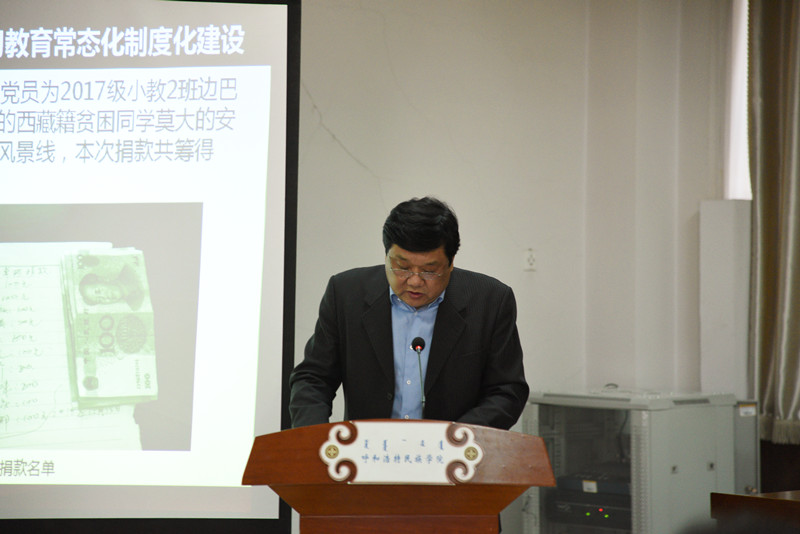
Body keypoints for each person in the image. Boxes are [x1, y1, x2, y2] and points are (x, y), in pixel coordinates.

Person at [289, 196, 528, 430]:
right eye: (402, 267)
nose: (414, 281)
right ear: (386, 255)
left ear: (451, 262)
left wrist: (457, 438)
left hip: (454, 451)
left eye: (429, 271)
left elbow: (507, 391)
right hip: (366, 448)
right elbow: (313, 378)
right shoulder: (345, 293)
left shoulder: (490, 301)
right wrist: (314, 439)